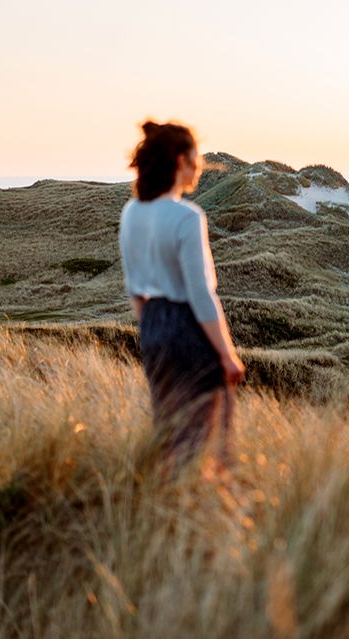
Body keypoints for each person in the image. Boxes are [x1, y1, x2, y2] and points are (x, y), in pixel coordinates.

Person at [118, 120, 245, 475]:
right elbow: (201, 294)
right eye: (196, 158)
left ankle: (164, 502)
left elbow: (135, 290)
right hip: (187, 325)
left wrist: (153, 332)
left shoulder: (131, 213)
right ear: (179, 160)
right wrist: (226, 353)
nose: (200, 166)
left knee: (168, 428)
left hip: (153, 327)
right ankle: (199, 505)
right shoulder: (187, 216)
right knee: (211, 432)